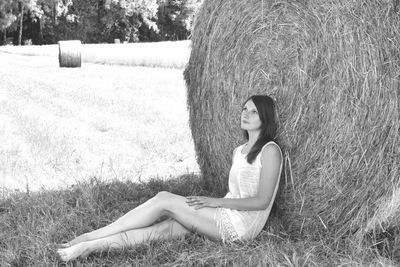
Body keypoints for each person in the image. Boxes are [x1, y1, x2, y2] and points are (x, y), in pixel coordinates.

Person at [57, 95, 283, 261]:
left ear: (265, 116)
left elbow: (262, 201)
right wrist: (218, 205)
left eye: (253, 111)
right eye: (244, 109)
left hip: (239, 226)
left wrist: (216, 202)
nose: (246, 114)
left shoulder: (270, 150)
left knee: (164, 199)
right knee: (163, 229)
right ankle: (90, 246)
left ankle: (92, 235)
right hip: (225, 215)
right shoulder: (239, 150)